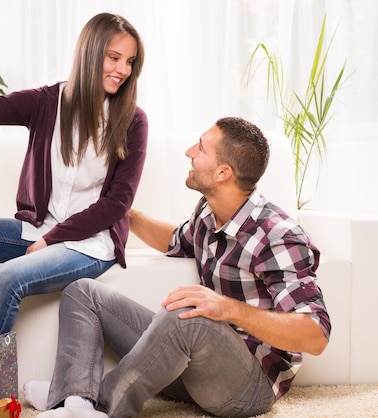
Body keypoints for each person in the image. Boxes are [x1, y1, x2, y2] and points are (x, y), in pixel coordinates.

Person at [23, 117, 331, 418]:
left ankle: (102, 406)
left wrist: (228, 309)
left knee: (190, 313)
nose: (189, 152)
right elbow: (174, 240)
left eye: (200, 148)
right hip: (195, 371)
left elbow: (315, 334)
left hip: (249, 387)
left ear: (223, 172)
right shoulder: (208, 214)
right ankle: (73, 399)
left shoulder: (277, 235)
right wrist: (122, 211)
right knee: (83, 292)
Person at [0, 13, 147, 334]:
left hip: (89, 245)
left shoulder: (133, 121)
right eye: (114, 58)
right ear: (91, 53)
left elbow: (118, 203)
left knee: (9, 277)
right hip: (36, 231)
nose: (123, 70)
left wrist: (54, 238)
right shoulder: (47, 102)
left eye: (130, 62)